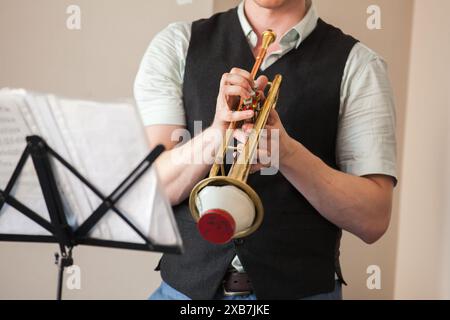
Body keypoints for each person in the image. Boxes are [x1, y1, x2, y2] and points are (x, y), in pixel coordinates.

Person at [134, 0, 397, 300]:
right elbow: (152, 189)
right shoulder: (177, 44)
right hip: (183, 294)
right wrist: (217, 134)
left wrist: (287, 154)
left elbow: (373, 219)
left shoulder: (360, 65)